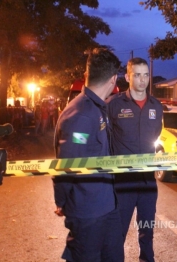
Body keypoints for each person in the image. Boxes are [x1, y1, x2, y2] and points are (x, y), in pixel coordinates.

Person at [53, 48, 124, 262]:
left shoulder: (98, 108)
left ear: (87, 74)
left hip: (107, 206)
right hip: (87, 212)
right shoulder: (81, 115)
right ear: (113, 79)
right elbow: (67, 165)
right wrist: (62, 200)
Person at [107, 57, 163, 262]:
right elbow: (105, 139)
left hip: (148, 182)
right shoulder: (113, 105)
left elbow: (156, 134)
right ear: (127, 76)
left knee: (147, 232)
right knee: (117, 234)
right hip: (122, 182)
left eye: (146, 75)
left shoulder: (156, 106)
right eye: (137, 75)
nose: (142, 80)